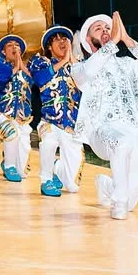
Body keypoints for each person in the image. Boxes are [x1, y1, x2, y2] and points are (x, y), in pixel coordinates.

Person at [72, 12, 138, 220]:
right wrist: (113, 41)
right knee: (122, 143)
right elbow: (89, 71)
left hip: (131, 130)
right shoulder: (80, 67)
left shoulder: (127, 64)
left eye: (108, 27)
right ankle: (119, 201)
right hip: (101, 132)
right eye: (98, 29)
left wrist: (126, 39)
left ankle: (106, 186)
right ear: (88, 40)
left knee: (136, 149)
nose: (105, 31)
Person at [28, 25, 82, 198]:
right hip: (49, 120)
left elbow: (87, 84)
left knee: (72, 186)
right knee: (49, 141)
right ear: (49, 47)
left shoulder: (77, 65)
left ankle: (58, 169)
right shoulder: (41, 62)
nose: (62, 41)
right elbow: (40, 79)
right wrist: (63, 61)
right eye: (56, 39)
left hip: (72, 124)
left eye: (65, 38)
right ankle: (46, 179)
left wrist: (72, 61)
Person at [0, 34, 33, 184]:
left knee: (23, 172)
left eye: (17, 45)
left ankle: (10, 163)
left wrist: (20, 66)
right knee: (11, 133)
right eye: (10, 45)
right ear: (4, 51)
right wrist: (13, 69)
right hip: (0, 115)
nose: (14, 48)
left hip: (22, 118)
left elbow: (38, 81)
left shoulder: (28, 69)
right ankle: (9, 165)